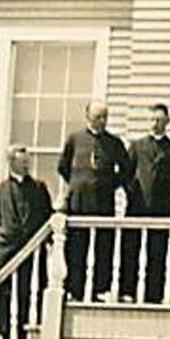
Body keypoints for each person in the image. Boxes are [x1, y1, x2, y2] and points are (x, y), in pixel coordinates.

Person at [59, 100, 133, 299]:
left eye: (104, 117)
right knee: (76, 247)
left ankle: (99, 289)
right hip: (79, 203)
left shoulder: (113, 143)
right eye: (97, 117)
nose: (101, 121)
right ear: (88, 117)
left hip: (102, 204)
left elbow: (127, 170)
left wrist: (109, 184)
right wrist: (79, 183)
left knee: (102, 246)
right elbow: (63, 167)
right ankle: (74, 288)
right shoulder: (74, 139)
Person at [0, 143, 54, 339]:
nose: (26, 165)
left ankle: (25, 336)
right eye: (22, 162)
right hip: (7, 255)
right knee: (5, 301)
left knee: (29, 297)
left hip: (32, 256)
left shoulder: (39, 188)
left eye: (27, 162)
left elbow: (49, 218)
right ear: (11, 163)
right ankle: (7, 338)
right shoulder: (0, 191)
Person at [121, 103, 170, 303]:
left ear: (167, 122)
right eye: (153, 119)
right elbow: (125, 174)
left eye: (160, 119)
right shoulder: (137, 146)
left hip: (163, 209)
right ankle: (128, 290)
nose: (156, 123)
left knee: (158, 252)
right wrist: (133, 193)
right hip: (138, 207)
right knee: (131, 249)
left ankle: (154, 293)